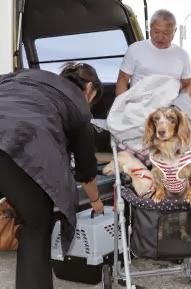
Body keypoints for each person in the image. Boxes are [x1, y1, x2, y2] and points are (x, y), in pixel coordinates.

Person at [0, 62, 105, 289]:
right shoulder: (78, 106)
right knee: (36, 224)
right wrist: (96, 201)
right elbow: (86, 171)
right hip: (16, 142)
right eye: (93, 98)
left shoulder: (30, 77)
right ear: (89, 88)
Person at [115, 9, 191, 97]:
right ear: (150, 27)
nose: (160, 37)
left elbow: (188, 85)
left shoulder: (182, 55)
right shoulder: (135, 49)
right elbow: (123, 79)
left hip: (169, 108)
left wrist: (182, 103)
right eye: (156, 32)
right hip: (138, 107)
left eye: (166, 33)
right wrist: (124, 105)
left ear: (175, 31)